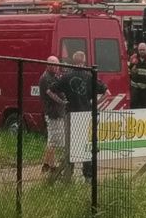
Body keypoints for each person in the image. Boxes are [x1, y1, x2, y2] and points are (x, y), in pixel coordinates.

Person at [54, 50, 107, 181]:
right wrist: (95, 103)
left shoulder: (66, 77)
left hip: (71, 115)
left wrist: (61, 101)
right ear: (83, 62)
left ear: (73, 62)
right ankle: (88, 176)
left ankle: (68, 174)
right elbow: (107, 92)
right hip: (85, 115)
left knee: (70, 146)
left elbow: (50, 90)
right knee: (85, 145)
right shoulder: (90, 76)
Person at [38, 56, 66, 174]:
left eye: (56, 64)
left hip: (56, 112)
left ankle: (47, 165)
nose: (55, 67)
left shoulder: (54, 76)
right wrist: (64, 102)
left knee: (52, 140)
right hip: (53, 112)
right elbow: (52, 95)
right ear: (47, 65)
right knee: (55, 141)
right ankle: (51, 166)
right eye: (52, 64)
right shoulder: (46, 78)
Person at [128, 42, 146, 109]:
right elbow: (128, 71)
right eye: (140, 50)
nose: (142, 51)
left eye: (143, 50)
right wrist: (132, 71)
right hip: (135, 87)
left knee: (145, 108)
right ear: (138, 50)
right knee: (134, 107)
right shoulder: (133, 58)